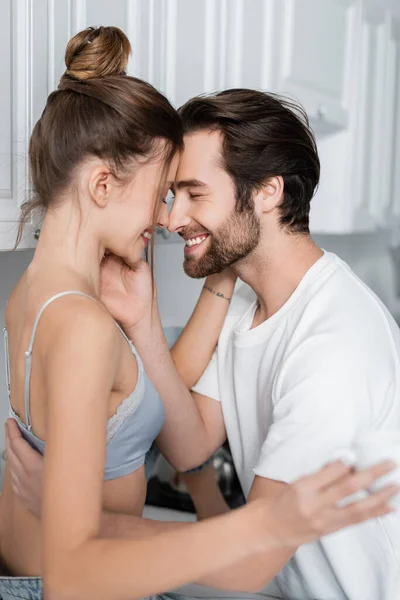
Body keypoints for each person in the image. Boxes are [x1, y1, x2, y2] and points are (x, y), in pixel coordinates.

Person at [2, 27, 398, 600]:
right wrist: (142, 319)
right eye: (167, 193)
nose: (169, 219)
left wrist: (64, 513)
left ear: (265, 191)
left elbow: (253, 559)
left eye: (192, 193)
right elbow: (190, 444)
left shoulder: (332, 347)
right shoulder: (245, 303)